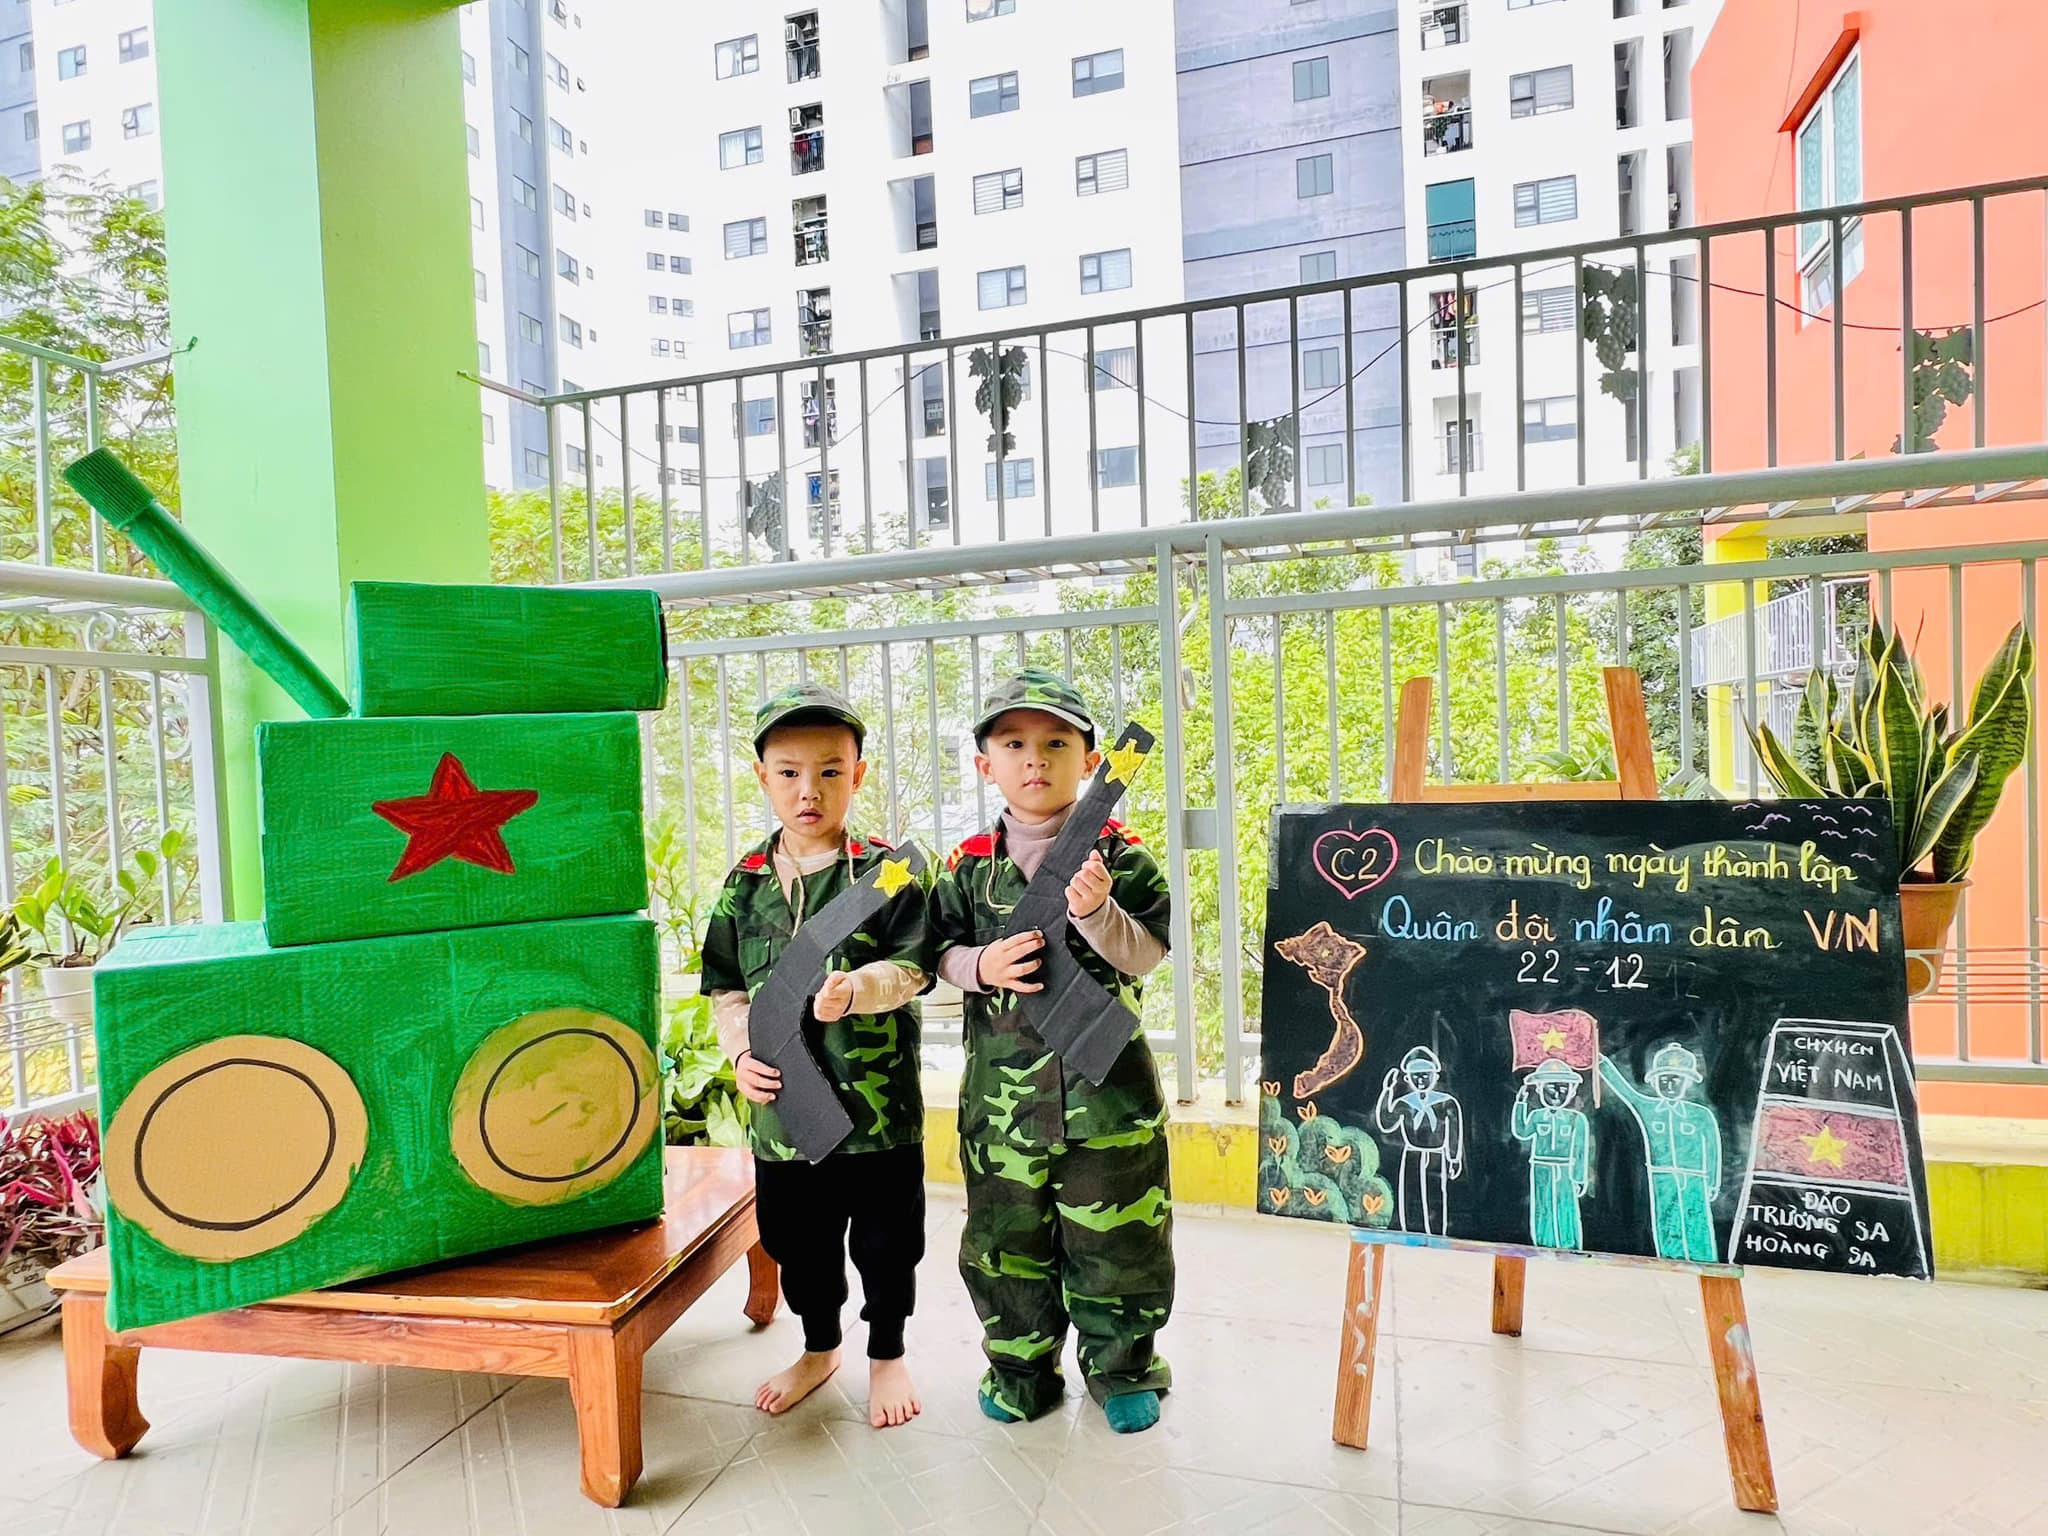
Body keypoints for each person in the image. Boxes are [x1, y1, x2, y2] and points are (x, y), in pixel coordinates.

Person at [929, 668, 1175, 1435]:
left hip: (1109, 1102)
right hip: (1002, 1109)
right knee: (1006, 1246)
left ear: (1090, 761)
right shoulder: (966, 865)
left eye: (1056, 743)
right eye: (1014, 744)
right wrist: (981, 965)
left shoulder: (1121, 854)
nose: (1035, 758)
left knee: (1120, 1242)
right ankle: (1020, 1369)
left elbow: (1147, 954)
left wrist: (1099, 912)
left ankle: (1123, 1368)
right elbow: (933, 958)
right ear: (986, 764)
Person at [699, 682, 930, 1428]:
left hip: (877, 1108)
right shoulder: (744, 884)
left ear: (857, 775)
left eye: (831, 771)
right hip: (784, 1112)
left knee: (888, 1241)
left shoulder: (889, 872)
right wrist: (741, 1054)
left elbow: (916, 966)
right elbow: (727, 988)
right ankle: (819, 1347)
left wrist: (859, 990)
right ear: (762, 776)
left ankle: (887, 1351)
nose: (810, 790)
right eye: (790, 772)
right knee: (797, 1241)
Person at [1598, 1042, 1722, 1262]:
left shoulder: (1700, 1115)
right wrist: (1600, 1062)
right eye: (1664, 1079)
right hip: (1662, 1177)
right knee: (1667, 1222)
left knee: (1697, 1222)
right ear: (1655, 1081)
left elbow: (1711, 1147)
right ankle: (1671, 1262)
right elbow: (1626, 1092)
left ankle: (1705, 1261)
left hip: (1694, 1178)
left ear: (1687, 1082)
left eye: (1676, 1080)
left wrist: (1713, 1181)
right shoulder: (1648, 1108)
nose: (1670, 1085)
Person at [1372, 1046, 1464, 1235]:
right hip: (1412, 1154)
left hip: (1436, 1155)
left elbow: (1453, 1132)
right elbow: (1386, 1122)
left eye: (1425, 1076)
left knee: (1435, 1196)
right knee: (1409, 1194)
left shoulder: (1446, 1102)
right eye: (1416, 1077)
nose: (1421, 1081)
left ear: (1434, 1077)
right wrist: (1388, 1091)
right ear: (1408, 1079)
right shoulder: (1404, 1103)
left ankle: (1436, 1234)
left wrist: (1454, 1159)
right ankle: (1409, 1232)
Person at [1511, 1058, 1591, 1250]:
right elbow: (1522, 1132)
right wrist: (1520, 1104)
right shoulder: (1537, 1116)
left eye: (1563, 1088)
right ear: (1539, 1089)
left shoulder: (1576, 1119)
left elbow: (1580, 1150)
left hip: (1565, 1169)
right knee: (1543, 1205)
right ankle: (1543, 1242)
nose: (1556, 1094)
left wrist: (1579, 1177)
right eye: (1550, 1088)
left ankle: (1568, 1243)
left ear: (1572, 1091)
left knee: (1566, 1206)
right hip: (1541, 1167)